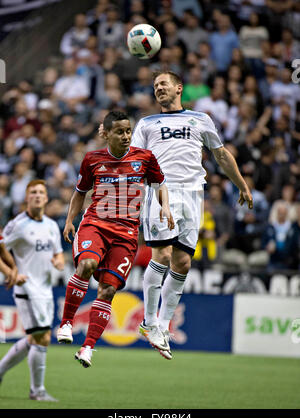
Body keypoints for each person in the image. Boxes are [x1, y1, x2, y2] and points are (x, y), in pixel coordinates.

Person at [130, 70, 253, 360]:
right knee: (161, 255)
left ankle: (162, 325)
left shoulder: (200, 119)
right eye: (155, 85)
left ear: (179, 88)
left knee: (183, 262)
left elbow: (221, 155)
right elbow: (134, 159)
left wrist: (242, 184)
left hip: (193, 194)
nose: (159, 88)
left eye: (164, 84)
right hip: (161, 190)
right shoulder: (146, 123)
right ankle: (148, 322)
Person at [56, 111, 174, 368]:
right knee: (86, 265)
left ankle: (87, 347)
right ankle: (66, 323)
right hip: (96, 224)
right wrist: (68, 221)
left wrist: (165, 207)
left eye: (128, 131)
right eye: (119, 131)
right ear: (106, 133)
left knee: (108, 290)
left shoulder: (144, 158)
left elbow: (160, 183)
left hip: (128, 233)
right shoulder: (92, 159)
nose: (125, 136)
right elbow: (79, 193)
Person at [0, 180, 65, 401]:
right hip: (26, 287)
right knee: (43, 337)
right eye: (33, 192)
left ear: (46, 198)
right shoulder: (17, 225)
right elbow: (1, 248)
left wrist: (58, 262)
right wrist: (12, 273)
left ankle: (0, 371)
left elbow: (57, 253)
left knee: (33, 339)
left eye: (41, 193)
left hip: (45, 289)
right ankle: (36, 391)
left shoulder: (51, 225)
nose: (37, 196)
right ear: (27, 197)